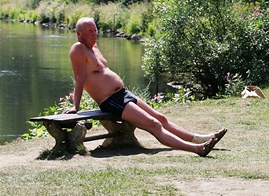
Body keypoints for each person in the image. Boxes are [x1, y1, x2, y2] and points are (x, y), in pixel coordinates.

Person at [63, 17, 227, 157]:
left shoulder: (94, 47)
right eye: (90, 31)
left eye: (95, 30)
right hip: (110, 100)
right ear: (79, 34)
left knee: (161, 118)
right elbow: (80, 78)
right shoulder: (78, 49)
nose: (94, 34)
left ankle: (201, 138)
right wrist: (75, 107)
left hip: (122, 94)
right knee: (153, 124)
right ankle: (197, 149)